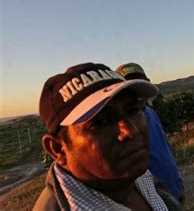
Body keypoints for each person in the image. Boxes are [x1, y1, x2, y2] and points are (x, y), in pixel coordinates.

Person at [33, 62, 182, 210]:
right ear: (58, 149)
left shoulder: (134, 177)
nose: (131, 131)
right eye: (101, 122)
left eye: (134, 110)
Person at [116, 63, 184, 202]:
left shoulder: (151, 112)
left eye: (139, 85)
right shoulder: (121, 126)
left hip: (175, 188)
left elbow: (164, 146)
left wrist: (177, 178)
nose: (136, 94)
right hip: (156, 198)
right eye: (128, 87)